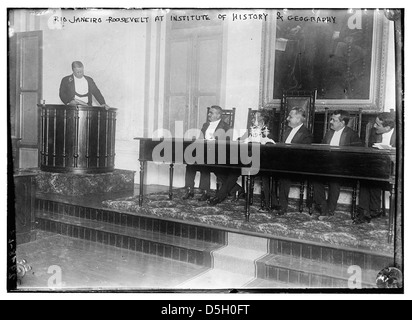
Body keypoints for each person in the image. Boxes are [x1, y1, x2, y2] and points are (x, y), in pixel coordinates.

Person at [312, 109, 362, 217]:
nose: (330, 122)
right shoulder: (328, 133)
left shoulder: (352, 135)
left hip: (343, 169)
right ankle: (323, 207)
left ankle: (329, 211)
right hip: (327, 167)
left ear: (342, 122)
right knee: (315, 179)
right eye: (331, 119)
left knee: (334, 181)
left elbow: (357, 155)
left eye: (334, 120)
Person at [266, 107, 313, 215]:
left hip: (296, 166)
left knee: (284, 175)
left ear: (298, 119)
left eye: (290, 117)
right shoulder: (287, 130)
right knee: (266, 172)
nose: (287, 119)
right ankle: (272, 203)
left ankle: (283, 206)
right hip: (283, 162)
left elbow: (303, 155)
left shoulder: (306, 134)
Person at [182, 105, 231, 202]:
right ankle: (189, 190)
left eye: (211, 113)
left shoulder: (225, 126)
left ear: (218, 115)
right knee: (190, 163)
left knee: (205, 163)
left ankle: (205, 192)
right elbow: (200, 137)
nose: (209, 114)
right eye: (209, 112)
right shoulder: (205, 125)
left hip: (216, 153)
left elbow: (227, 142)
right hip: (203, 151)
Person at [354, 112, 396, 224]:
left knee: (373, 178)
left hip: (395, 170)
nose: (374, 126)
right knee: (365, 177)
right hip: (378, 166)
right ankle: (364, 212)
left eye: (378, 124)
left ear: (387, 128)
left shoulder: (402, 134)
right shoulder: (374, 132)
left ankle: (374, 209)